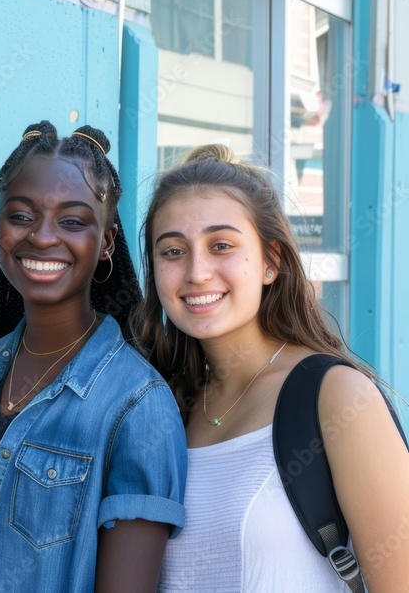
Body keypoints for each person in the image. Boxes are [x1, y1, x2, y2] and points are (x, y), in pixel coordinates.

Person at [133, 145, 409, 591]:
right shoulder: (162, 405)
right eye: (172, 251)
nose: (197, 272)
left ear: (271, 261)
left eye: (221, 245)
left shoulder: (336, 396)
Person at [0, 121, 187, 592]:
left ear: (107, 241)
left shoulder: (138, 406)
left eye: (72, 221)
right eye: (21, 216)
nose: (43, 237)